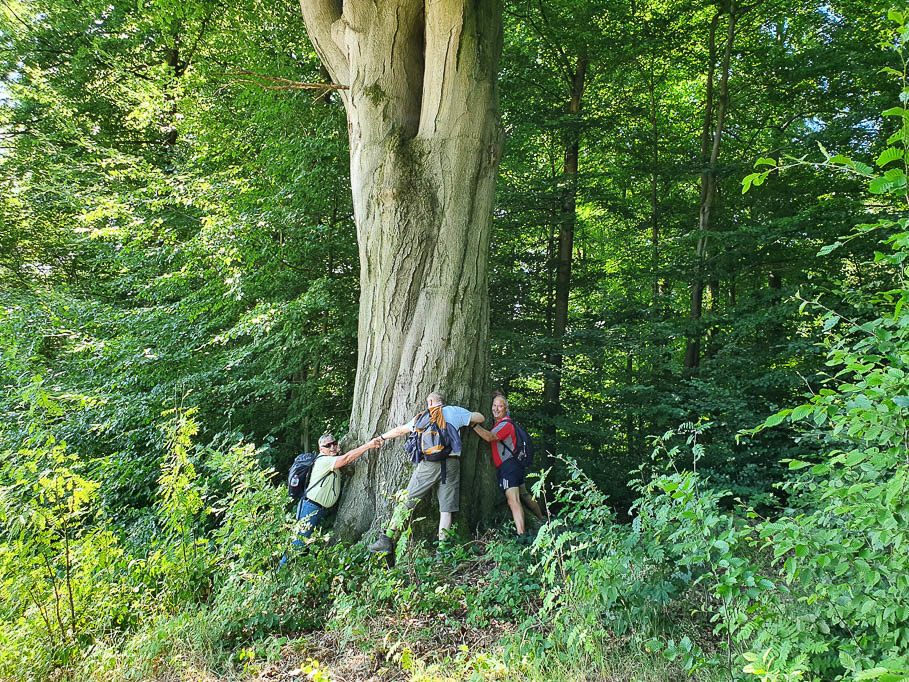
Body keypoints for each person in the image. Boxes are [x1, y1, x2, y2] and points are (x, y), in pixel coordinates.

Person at [367, 391, 484, 553]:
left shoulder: (422, 416)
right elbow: (480, 418)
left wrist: (382, 437)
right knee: (446, 508)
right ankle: (442, 550)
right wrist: (470, 419)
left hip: (429, 464)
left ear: (430, 402)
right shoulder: (454, 411)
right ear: (443, 402)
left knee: (408, 500)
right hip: (451, 463)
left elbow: (401, 430)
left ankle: (386, 538)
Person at [283, 433, 382, 561]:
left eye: (334, 443)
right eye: (328, 445)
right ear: (321, 449)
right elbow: (346, 459)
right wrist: (369, 445)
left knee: (306, 544)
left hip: (318, 508)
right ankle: (282, 572)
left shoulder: (331, 460)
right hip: (310, 507)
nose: (332, 447)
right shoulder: (324, 461)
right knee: (298, 543)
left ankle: (298, 571)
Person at [473, 394, 540, 538]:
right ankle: (543, 519)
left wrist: (473, 425)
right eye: (494, 406)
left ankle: (521, 535)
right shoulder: (503, 424)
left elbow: (490, 437)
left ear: (506, 408)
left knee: (513, 500)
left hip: (509, 467)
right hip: (515, 466)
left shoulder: (506, 425)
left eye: (500, 406)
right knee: (525, 495)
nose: (496, 409)